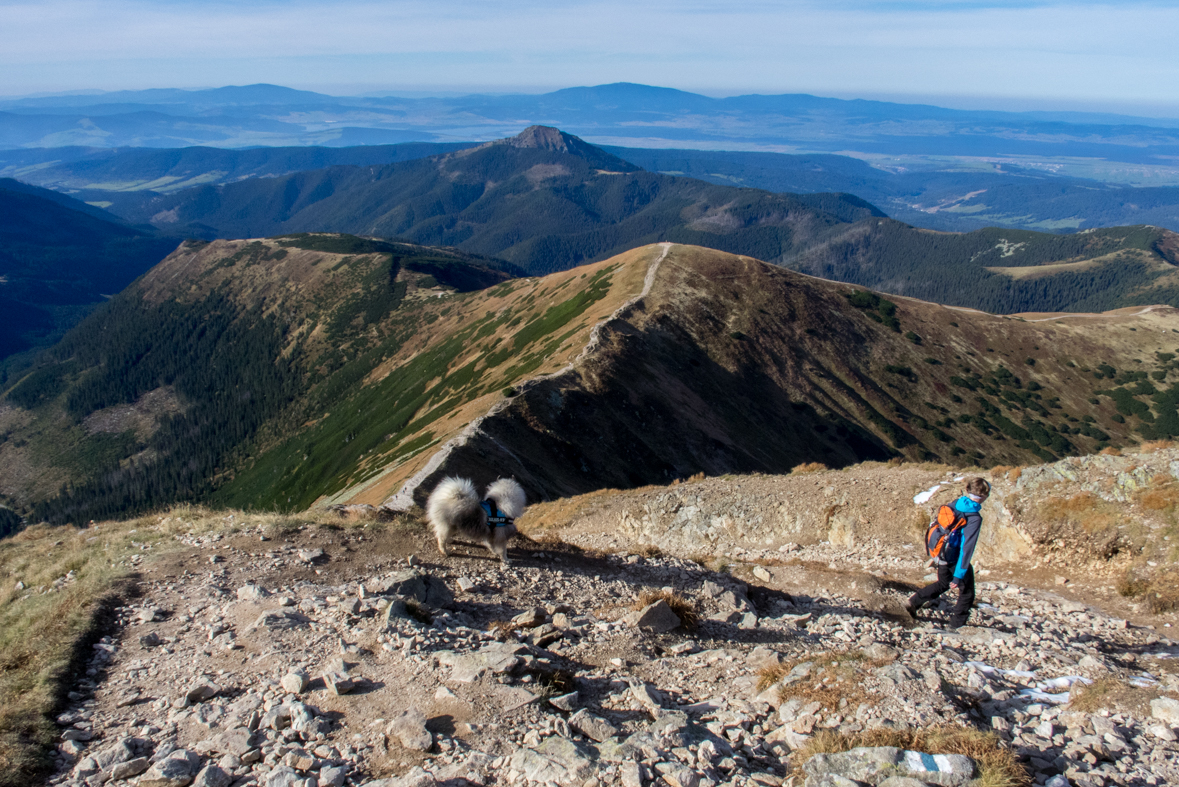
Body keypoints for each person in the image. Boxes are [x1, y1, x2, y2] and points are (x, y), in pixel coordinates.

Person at [906, 477, 991, 629]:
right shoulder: (973, 518)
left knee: (943, 583)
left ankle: (913, 602)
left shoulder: (955, 504)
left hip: (941, 553)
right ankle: (956, 625)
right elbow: (967, 548)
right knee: (967, 592)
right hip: (955, 557)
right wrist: (959, 574)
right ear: (984, 496)